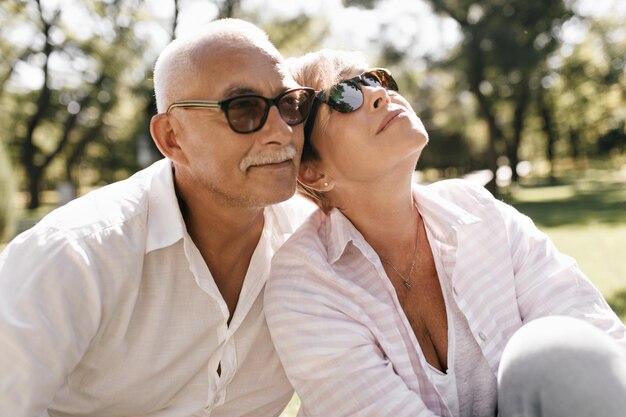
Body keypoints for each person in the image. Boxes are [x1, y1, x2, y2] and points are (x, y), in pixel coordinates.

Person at [264, 49, 626, 417]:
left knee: (561, 345)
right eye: (345, 95)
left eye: (377, 79)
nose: (378, 94)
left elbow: (593, 336)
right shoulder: (304, 283)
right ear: (312, 173)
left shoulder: (478, 212)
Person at [0, 19, 317, 417]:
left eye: (291, 105)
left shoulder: (316, 247)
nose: (283, 131)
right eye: (244, 109)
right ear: (172, 138)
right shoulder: (73, 257)